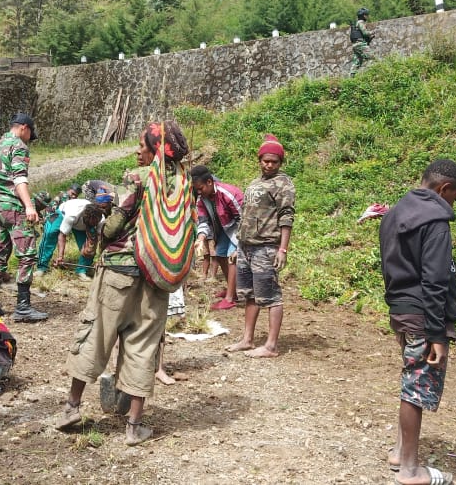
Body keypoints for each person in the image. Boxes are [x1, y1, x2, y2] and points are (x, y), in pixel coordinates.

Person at [56, 120, 190, 446]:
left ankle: (72, 408)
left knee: (96, 336)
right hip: (156, 279)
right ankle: (134, 427)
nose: (137, 151)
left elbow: (113, 227)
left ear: (156, 151)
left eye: (142, 147)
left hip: (118, 272)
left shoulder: (140, 180)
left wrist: (101, 230)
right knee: (143, 347)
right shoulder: (184, 185)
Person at [379, 159, 456, 485]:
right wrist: (437, 333)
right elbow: (435, 279)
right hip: (423, 315)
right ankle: (411, 470)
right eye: (454, 198)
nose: (452, 205)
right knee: (416, 388)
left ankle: (401, 451)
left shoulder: (394, 213)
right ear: (444, 189)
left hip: (400, 308)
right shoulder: (436, 221)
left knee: (409, 379)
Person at [224, 135, 295, 358]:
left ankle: (271, 346)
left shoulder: (283, 184)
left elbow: (286, 216)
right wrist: (238, 246)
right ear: (259, 160)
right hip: (246, 247)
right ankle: (247, 339)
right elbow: (246, 216)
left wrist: (282, 249)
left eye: (274, 161)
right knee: (249, 295)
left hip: (266, 246)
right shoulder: (256, 183)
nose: (269, 164)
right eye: (265, 160)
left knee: (271, 295)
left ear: (280, 162)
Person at [0, 112, 48, 323]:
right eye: (29, 135)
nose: (29, 140)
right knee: (27, 255)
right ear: (24, 128)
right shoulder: (18, 146)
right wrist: (29, 206)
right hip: (14, 206)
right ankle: (23, 307)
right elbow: (19, 179)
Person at [190, 165, 244, 310]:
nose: (199, 192)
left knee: (232, 257)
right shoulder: (202, 199)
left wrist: (240, 245)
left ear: (209, 182)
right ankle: (234, 289)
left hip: (239, 227)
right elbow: (203, 221)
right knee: (220, 255)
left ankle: (230, 298)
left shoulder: (228, 193)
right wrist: (200, 238)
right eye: (197, 190)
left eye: (200, 188)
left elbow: (244, 219)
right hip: (224, 228)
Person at [40, 190, 112, 282]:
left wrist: (99, 257)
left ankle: (81, 271)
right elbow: (62, 235)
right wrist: (60, 256)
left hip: (81, 224)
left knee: (89, 249)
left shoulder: (101, 219)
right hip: (63, 213)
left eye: (94, 223)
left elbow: (99, 239)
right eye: (90, 223)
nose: (92, 224)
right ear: (84, 217)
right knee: (50, 233)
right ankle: (41, 267)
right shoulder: (72, 215)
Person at [349, 7, 375, 77]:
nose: (367, 16)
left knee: (357, 61)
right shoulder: (360, 22)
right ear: (363, 15)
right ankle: (369, 75)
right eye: (366, 15)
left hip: (355, 45)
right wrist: (372, 32)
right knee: (371, 58)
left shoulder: (356, 24)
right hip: (361, 44)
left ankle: (351, 78)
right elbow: (365, 33)